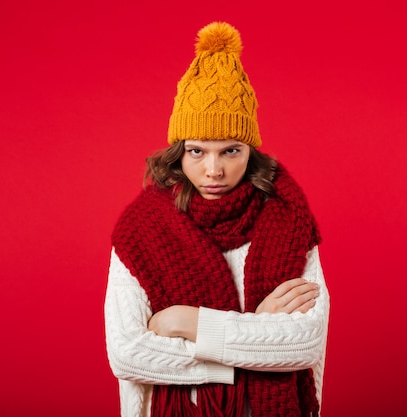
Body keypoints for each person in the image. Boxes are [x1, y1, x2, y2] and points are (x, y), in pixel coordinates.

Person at [104, 21, 330, 417]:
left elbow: (303, 344)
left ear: (250, 150)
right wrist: (254, 333)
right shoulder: (141, 231)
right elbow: (128, 355)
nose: (213, 170)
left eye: (230, 151)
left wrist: (184, 321)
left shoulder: (288, 220)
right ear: (179, 151)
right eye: (197, 151)